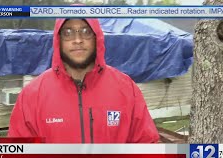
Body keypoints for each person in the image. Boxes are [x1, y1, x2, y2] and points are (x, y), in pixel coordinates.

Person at [8, 18, 159, 143]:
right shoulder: (32, 95)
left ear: (97, 37)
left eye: (86, 32)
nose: (78, 40)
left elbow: (145, 145)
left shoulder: (126, 88)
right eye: (68, 32)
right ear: (58, 39)